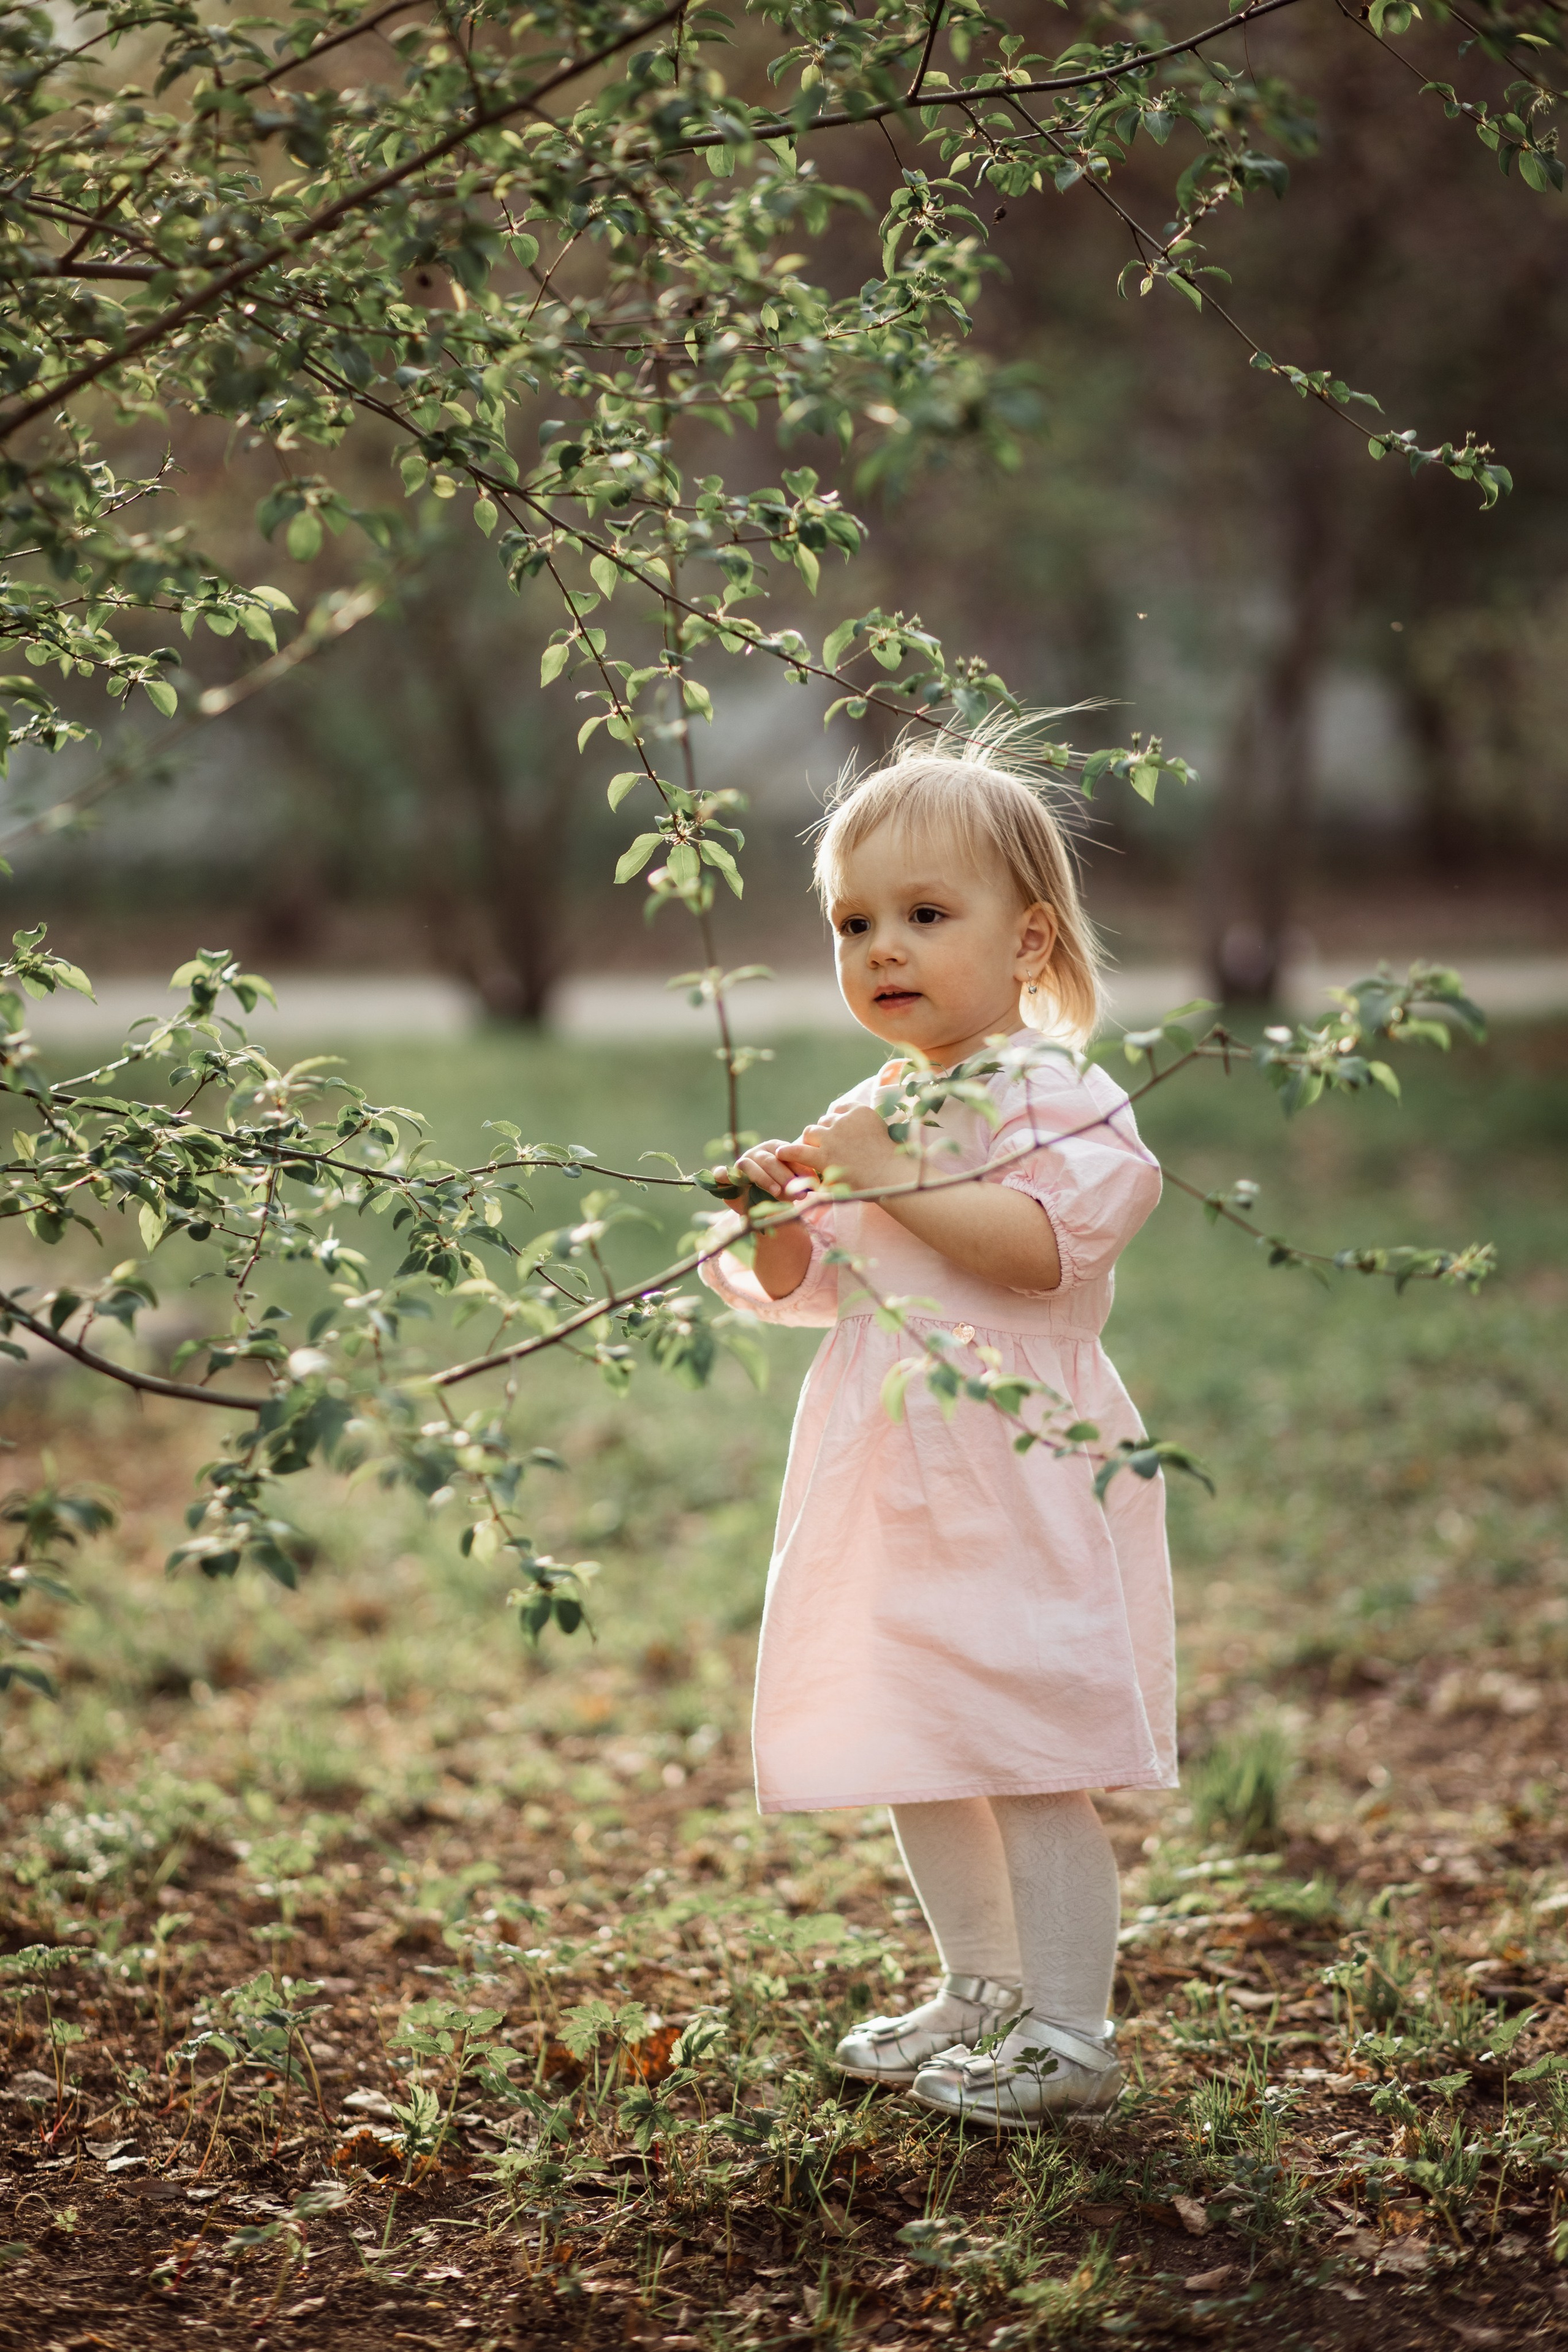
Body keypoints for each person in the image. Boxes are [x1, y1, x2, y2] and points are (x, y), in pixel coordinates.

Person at [696, 731, 1175, 2130]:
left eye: (923, 915)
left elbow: (1038, 1255)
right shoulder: (873, 1108)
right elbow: (805, 1290)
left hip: (1010, 1456)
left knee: (1023, 1741)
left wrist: (883, 1175)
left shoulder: (1051, 1093)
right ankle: (979, 1986)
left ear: (1026, 939)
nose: (881, 949)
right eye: (853, 923)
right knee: (919, 1731)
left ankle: (1070, 2031)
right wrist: (775, 1217)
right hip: (884, 1466)